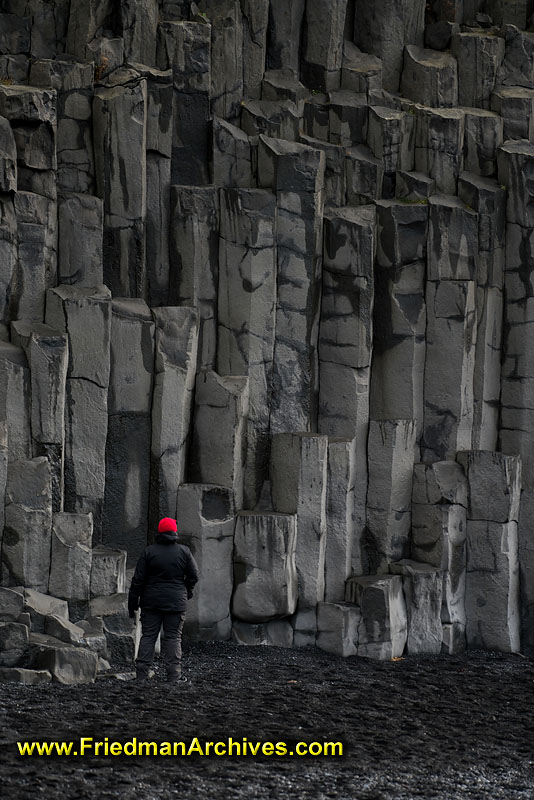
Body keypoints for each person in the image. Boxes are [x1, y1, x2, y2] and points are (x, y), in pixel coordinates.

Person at [128, 517, 199, 683]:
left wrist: (132, 604)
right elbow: (194, 576)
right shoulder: (184, 551)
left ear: (159, 532)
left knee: (148, 636)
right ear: (174, 532)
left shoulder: (149, 552)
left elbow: (138, 580)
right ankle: (174, 676)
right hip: (175, 602)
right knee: (173, 637)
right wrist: (186, 591)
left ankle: (141, 676)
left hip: (151, 602)